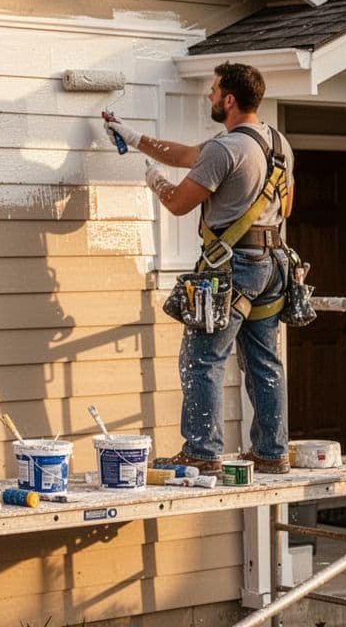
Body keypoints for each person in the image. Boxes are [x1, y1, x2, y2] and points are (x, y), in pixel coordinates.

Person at [102, 62, 295, 475]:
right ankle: (271, 452)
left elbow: (177, 202)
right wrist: (134, 138)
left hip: (233, 267)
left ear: (229, 99)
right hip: (272, 266)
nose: (209, 95)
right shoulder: (277, 144)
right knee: (264, 362)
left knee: (203, 359)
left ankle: (203, 453)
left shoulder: (226, 150)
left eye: (214, 90)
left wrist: (155, 181)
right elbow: (188, 156)